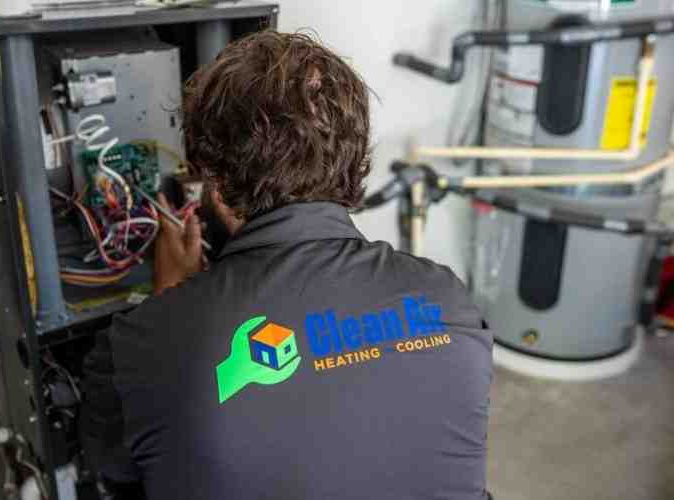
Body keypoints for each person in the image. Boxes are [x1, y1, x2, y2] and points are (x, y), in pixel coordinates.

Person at [81, 30, 492, 500]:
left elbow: (108, 464)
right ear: (355, 160)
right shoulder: (447, 299)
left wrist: (168, 302)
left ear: (214, 185)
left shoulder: (142, 346)